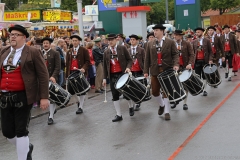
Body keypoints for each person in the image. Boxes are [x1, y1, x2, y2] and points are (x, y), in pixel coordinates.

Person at [0, 24, 49, 160]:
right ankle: (27, 146)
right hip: (5, 96)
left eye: (16, 35)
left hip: (23, 96)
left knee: (21, 131)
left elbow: (43, 75)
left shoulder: (32, 51)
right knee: (8, 132)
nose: (13, 37)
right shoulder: (3, 51)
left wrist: (44, 97)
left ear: (24, 37)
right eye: (11, 35)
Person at [144, 24, 179, 120]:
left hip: (166, 69)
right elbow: (147, 58)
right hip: (155, 70)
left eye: (157, 30)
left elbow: (175, 54)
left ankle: (167, 112)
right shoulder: (149, 43)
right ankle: (161, 105)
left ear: (162, 31)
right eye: (154, 30)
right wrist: (146, 71)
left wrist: (176, 64)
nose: (155, 32)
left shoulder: (170, 42)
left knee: (166, 91)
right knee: (154, 92)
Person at [102, 34, 133, 122]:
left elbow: (130, 60)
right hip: (112, 75)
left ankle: (130, 106)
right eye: (109, 40)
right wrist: (104, 78)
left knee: (126, 93)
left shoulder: (122, 48)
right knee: (115, 95)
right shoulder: (106, 52)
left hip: (122, 74)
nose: (110, 41)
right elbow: (105, 66)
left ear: (116, 40)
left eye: (112, 40)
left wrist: (128, 67)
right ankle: (119, 114)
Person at [66, 34, 90, 114]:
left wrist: (83, 68)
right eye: (73, 41)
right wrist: (67, 75)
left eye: (76, 40)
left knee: (82, 90)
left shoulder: (83, 50)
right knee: (71, 91)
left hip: (80, 72)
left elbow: (87, 61)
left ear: (79, 41)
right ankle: (79, 102)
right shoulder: (69, 51)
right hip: (71, 72)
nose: (74, 42)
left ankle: (80, 107)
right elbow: (67, 63)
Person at [171, 30, 194, 110]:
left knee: (185, 85)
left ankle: (185, 103)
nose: (175, 36)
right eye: (174, 35)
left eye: (176, 35)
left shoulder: (187, 43)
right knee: (174, 85)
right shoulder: (172, 44)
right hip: (174, 67)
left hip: (184, 66)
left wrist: (190, 64)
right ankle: (175, 101)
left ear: (181, 36)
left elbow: (192, 54)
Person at [41, 37, 61, 125]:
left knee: (51, 97)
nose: (45, 44)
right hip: (42, 79)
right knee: (45, 97)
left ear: (50, 44)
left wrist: (53, 76)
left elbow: (58, 66)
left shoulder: (55, 53)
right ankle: (52, 111)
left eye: (47, 43)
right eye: (44, 43)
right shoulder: (39, 53)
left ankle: (51, 116)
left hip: (51, 78)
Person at [192, 27, 213, 96]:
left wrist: (210, 59)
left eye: (198, 32)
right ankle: (201, 87)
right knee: (198, 75)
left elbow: (210, 51)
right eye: (196, 32)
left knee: (204, 76)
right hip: (197, 61)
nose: (197, 33)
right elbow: (192, 52)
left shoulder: (207, 40)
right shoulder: (194, 41)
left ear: (202, 32)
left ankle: (204, 90)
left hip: (205, 60)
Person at [128, 34, 146, 111]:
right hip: (131, 71)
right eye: (131, 39)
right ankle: (134, 101)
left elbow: (145, 60)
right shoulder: (128, 50)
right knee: (132, 87)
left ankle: (138, 102)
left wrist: (145, 70)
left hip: (139, 70)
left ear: (137, 41)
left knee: (138, 86)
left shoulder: (141, 50)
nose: (132, 41)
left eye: (133, 39)